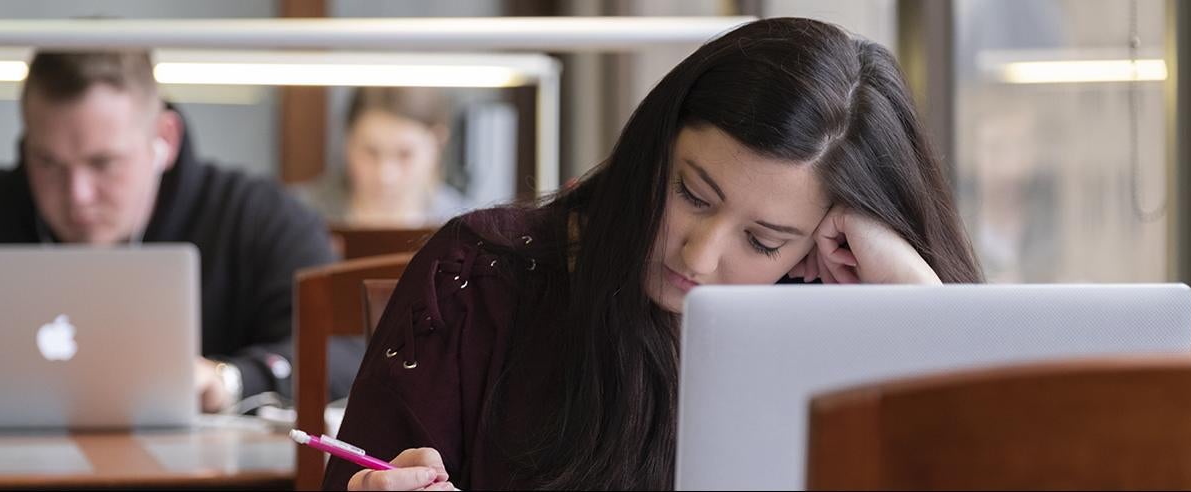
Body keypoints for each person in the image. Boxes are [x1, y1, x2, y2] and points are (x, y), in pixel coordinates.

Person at [323, 17, 983, 491]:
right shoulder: (478, 279)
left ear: (818, 247)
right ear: (651, 150)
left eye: (762, 240)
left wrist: (912, 298)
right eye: (691, 194)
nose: (699, 255)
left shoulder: (840, 314)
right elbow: (361, 472)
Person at [0, 51, 337, 413]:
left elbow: (345, 351)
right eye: (48, 163)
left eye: (103, 164)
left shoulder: (257, 219)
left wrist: (230, 379)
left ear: (165, 138)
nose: (78, 195)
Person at [295, 86, 471, 229]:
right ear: (347, 141)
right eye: (370, 152)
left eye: (405, 154)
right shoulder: (298, 216)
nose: (386, 175)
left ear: (438, 143)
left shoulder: (463, 227)